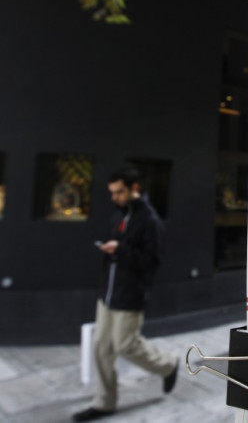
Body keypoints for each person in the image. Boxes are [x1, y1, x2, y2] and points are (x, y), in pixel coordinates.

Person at [73, 169, 178, 422]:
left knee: (125, 345)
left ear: (134, 187)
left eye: (119, 191)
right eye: (112, 193)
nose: (114, 197)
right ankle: (104, 403)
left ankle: (168, 365)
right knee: (101, 347)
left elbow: (152, 261)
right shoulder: (120, 214)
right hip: (107, 294)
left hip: (130, 295)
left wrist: (120, 249)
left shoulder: (150, 220)